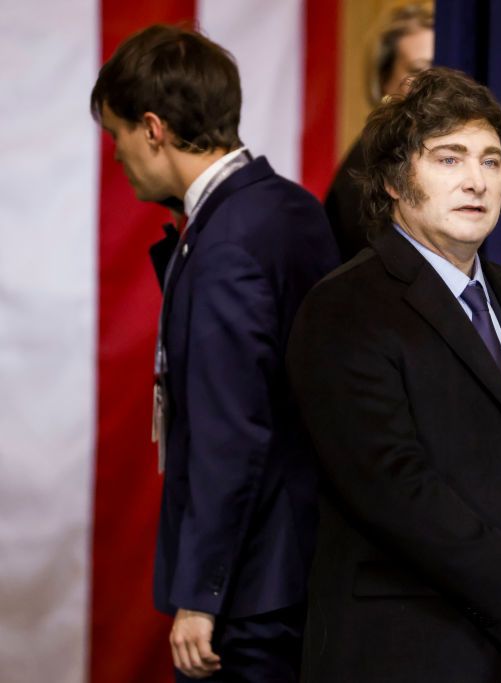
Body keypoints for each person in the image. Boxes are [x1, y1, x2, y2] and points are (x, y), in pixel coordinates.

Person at [287, 67, 501, 682]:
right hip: (406, 653)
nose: (475, 181)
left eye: (491, 162)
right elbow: (393, 488)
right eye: (448, 158)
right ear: (391, 179)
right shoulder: (343, 307)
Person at [91, 24, 339, 681]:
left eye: (115, 134)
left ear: (153, 128)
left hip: (250, 593)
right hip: (302, 566)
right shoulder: (292, 209)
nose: (115, 157)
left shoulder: (227, 244)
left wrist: (202, 594)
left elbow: (234, 431)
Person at [323, 2, 434, 262]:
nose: (435, 83)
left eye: (441, 67)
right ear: (384, 80)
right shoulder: (368, 166)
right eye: (418, 71)